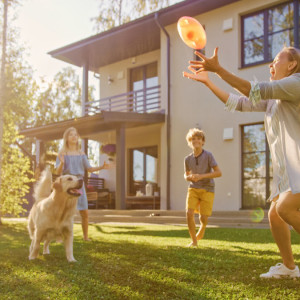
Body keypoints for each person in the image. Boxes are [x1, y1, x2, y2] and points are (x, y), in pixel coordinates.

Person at [183, 46, 300, 278]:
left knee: (285, 208)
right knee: (275, 214)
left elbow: (253, 89)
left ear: (292, 65)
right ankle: (289, 267)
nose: (271, 65)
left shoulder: (296, 82)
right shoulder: (274, 100)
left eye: (276, 60)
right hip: (287, 171)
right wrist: (209, 82)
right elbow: (239, 102)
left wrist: (218, 70)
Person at [56, 127, 109, 241]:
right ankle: (60, 236)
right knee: (63, 212)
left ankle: (85, 237)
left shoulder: (81, 154)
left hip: (79, 184)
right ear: (66, 138)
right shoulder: (62, 153)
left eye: (75, 134)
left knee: (84, 213)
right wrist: (62, 163)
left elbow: (89, 169)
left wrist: (102, 167)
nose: (74, 136)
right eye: (71, 135)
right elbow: (57, 172)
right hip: (68, 185)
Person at [184, 128, 222, 247]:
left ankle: (203, 226)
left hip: (207, 189)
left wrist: (201, 176)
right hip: (193, 188)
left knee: (203, 217)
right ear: (190, 142)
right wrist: (188, 177)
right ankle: (194, 242)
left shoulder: (208, 155)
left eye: (199, 139)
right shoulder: (187, 159)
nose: (196, 141)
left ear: (203, 142)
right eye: (193, 139)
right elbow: (186, 174)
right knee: (189, 213)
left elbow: (218, 173)